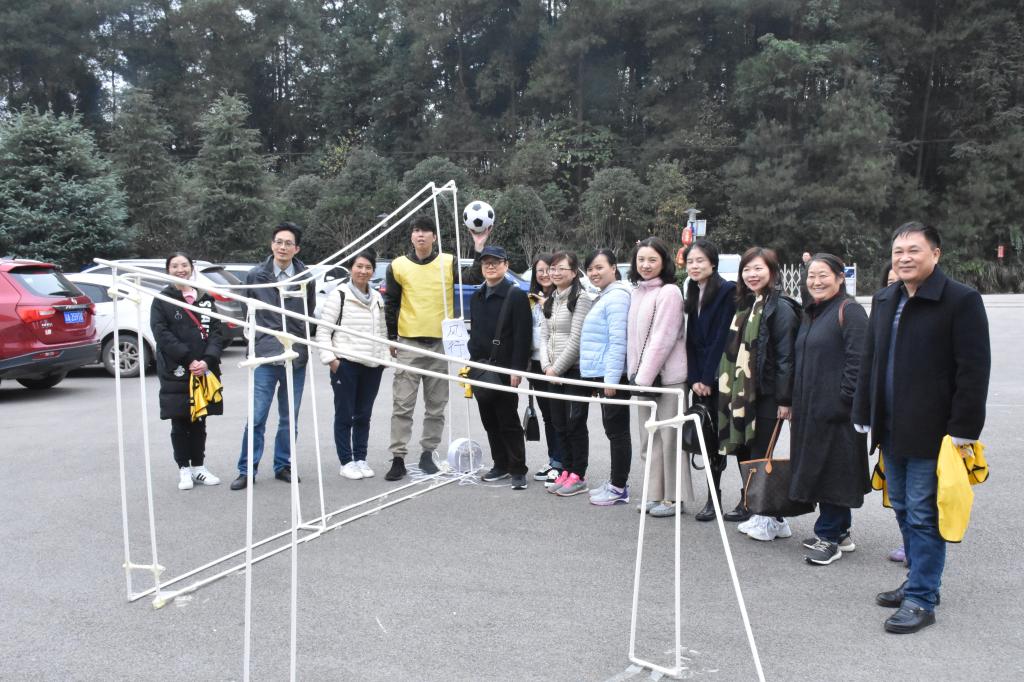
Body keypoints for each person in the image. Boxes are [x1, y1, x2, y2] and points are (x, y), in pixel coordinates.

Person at [853, 222, 990, 634]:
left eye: (914, 250)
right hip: (891, 427)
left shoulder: (961, 300)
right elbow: (871, 360)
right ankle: (917, 579)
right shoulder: (886, 298)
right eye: (898, 251)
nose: (904, 258)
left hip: (935, 432)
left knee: (923, 514)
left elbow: (973, 369)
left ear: (936, 254)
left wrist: (964, 428)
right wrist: (864, 410)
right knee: (902, 506)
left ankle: (922, 598)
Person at [383, 215, 485, 481]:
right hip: (409, 343)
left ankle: (428, 454)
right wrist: (392, 338)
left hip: (439, 345)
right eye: (416, 231)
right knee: (402, 405)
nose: (421, 235)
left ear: (434, 237)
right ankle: (398, 457)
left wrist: (479, 246)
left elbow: (474, 276)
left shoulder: (447, 262)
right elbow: (391, 303)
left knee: (436, 406)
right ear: (411, 236)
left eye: (426, 231)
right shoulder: (398, 266)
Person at [789, 253, 869, 565]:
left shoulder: (850, 311)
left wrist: (843, 401)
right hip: (811, 409)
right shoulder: (814, 312)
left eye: (823, 275)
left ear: (839, 278)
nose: (816, 282)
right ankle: (840, 532)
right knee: (821, 469)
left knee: (834, 471)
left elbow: (858, 361)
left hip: (837, 412)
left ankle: (829, 537)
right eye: (811, 276)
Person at [717, 247, 800, 539]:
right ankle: (771, 516)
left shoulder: (781, 308)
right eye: (747, 269)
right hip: (745, 393)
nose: (752, 275)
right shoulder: (749, 304)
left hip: (767, 394)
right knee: (749, 451)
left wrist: (785, 399)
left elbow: (786, 357)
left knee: (761, 455)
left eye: (758, 269)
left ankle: (764, 515)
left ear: (773, 272)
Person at [231, 222, 318, 490]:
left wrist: (299, 339)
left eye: (288, 243)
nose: (282, 247)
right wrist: (258, 341)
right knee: (256, 416)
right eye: (278, 242)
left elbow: (308, 312)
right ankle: (247, 470)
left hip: (295, 357)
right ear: (272, 244)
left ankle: (284, 465)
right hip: (265, 356)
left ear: (297, 249)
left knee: (289, 418)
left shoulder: (305, 277)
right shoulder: (256, 275)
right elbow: (247, 312)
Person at [150, 252, 226, 490]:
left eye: (184, 265)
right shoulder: (162, 300)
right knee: (180, 421)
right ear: (168, 270)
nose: (180, 269)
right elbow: (161, 334)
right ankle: (184, 469)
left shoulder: (205, 298)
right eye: (175, 266)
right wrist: (189, 359)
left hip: (203, 370)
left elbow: (217, 332)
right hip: (177, 370)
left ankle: (199, 467)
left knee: (199, 420)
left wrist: (208, 360)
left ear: (192, 268)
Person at [627, 237, 690, 517]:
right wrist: (636, 377)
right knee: (649, 439)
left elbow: (663, 338)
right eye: (641, 259)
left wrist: (642, 378)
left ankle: (674, 499)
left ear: (664, 262)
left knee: (670, 440)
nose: (646, 265)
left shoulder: (670, 292)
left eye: (652, 259)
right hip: (643, 380)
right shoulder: (637, 292)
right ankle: (653, 494)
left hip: (668, 380)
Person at [315, 250, 388, 480]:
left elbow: (382, 331)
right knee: (345, 414)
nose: (363, 271)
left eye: (368, 267)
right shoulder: (339, 295)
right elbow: (323, 331)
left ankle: (361, 458)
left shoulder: (377, 297)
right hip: (346, 364)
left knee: (364, 415)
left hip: (372, 365)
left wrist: (384, 359)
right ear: (350, 269)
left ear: (373, 271)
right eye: (359, 266)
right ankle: (346, 461)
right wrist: (332, 361)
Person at [469, 246, 533, 490]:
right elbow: (475, 331)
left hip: (505, 369)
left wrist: (517, 369)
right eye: (486, 262)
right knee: (489, 420)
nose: (490, 266)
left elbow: (522, 336)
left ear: (506, 265)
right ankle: (500, 464)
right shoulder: (477, 295)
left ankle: (518, 469)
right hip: (480, 367)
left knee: (508, 420)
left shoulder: (515, 295)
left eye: (496, 262)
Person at [681, 240, 737, 521]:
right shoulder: (692, 290)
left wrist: (707, 378)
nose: (694, 266)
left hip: (719, 377)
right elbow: (691, 341)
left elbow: (721, 338)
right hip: (699, 380)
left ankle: (743, 500)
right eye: (690, 262)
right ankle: (712, 499)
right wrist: (694, 378)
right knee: (706, 440)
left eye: (700, 261)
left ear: (713, 263)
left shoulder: (727, 291)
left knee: (724, 440)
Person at [579, 249, 633, 506]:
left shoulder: (618, 296)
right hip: (604, 374)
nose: (594, 273)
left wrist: (610, 380)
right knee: (613, 430)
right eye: (590, 269)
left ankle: (619, 487)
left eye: (599, 267)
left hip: (613, 376)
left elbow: (617, 341)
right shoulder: (606, 295)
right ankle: (616, 482)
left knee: (618, 432)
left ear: (614, 267)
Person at [541, 251, 594, 497]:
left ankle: (578, 475)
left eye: (561, 268)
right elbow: (544, 336)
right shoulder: (550, 299)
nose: (555, 273)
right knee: (558, 424)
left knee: (575, 424)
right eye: (552, 268)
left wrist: (556, 369)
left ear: (574, 272)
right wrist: (546, 366)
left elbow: (577, 339)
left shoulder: (581, 299)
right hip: (552, 372)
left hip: (573, 372)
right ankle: (565, 470)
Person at [527, 255, 567, 485]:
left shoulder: (560, 298)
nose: (544, 274)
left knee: (558, 416)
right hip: (535, 364)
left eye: (548, 269)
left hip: (555, 365)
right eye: (539, 271)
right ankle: (553, 460)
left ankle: (561, 463)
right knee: (547, 416)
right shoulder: (531, 298)